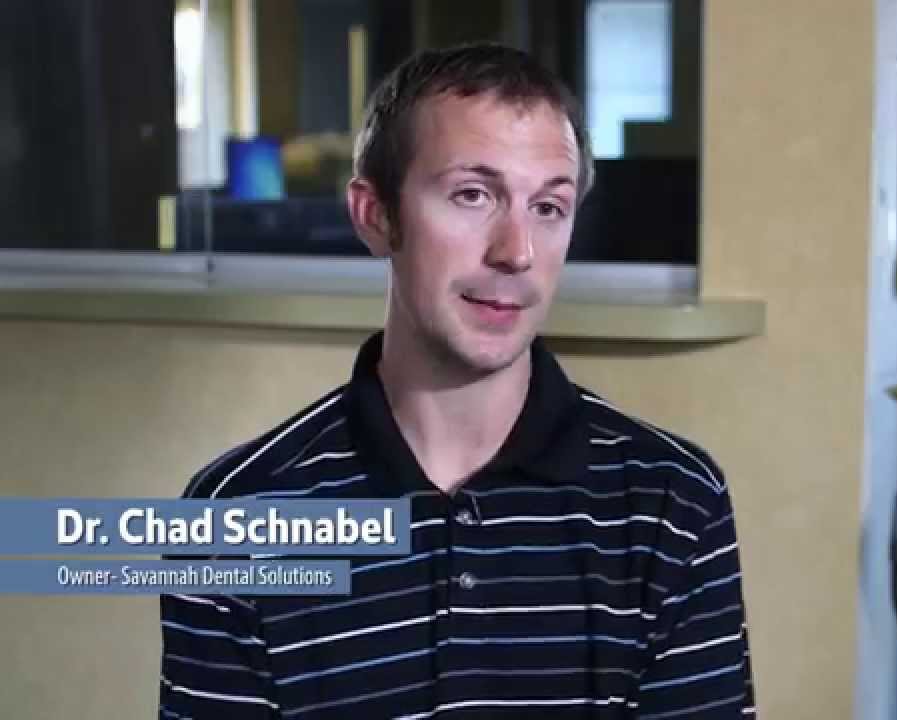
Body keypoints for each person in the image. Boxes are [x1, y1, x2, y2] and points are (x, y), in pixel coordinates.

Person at [158, 44, 754, 718]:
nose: (517, 252)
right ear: (375, 215)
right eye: (473, 195)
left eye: (549, 207)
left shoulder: (674, 503)